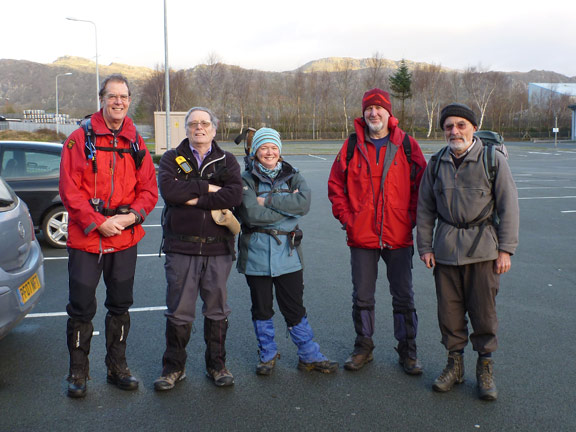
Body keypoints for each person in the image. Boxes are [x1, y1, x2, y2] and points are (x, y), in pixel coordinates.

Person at [59, 73, 159, 398]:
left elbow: (149, 189)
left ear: (129, 101)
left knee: (120, 306)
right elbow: (69, 190)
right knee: (81, 307)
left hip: (125, 239)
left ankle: (117, 367)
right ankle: (78, 372)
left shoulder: (137, 142)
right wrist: (97, 222)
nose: (118, 102)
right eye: (112, 96)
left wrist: (131, 216)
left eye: (124, 97)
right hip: (87, 238)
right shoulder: (79, 139)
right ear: (102, 99)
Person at [416, 103, 519, 401]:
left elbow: (508, 206)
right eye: (449, 126)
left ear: (473, 127)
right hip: (446, 251)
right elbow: (424, 210)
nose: (454, 131)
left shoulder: (492, 159)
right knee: (448, 313)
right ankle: (455, 365)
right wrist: (425, 246)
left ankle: (485, 368)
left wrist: (506, 251)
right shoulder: (436, 164)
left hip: (484, 250)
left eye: (461, 125)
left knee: (483, 313)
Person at [328, 88, 427, 375]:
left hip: (398, 237)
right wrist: (349, 219)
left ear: (388, 112)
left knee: (404, 296)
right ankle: (363, 347)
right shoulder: (350, 146)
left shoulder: (407, 145)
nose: (373, 113)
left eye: (378, 108)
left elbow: (422, 186)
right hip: (362, 237)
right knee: (362, 296)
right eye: (368, 108)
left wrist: (408, 218)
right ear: (363, 113)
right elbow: (336, 186)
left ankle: (408, 351)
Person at [236, 127, 338, 376]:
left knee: (294, 307)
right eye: (263, 147)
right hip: (256, 254)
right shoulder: (245, 179)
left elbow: (303, 204)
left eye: (273, 147)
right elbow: (250, 214)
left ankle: (308, 354)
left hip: (289, 254)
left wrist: (267, 201)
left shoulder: (293, 175)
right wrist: (285, 209)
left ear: (279, 151)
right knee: (262, 308)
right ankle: (267, 354)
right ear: (257, 151)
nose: (269, 152)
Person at [154, 107, 242, 390]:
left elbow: (235, 195)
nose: (199, 128)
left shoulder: (227, 160)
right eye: (193, 124)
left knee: (217, 309)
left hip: (218, 249)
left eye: (205, 124)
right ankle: (173, 368)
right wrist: (211, 190)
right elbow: (170, 192)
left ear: (214, 129)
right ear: (187, 129)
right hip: (181, 247)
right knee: (179, 311)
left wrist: (191, 192)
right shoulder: (171, 158)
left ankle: (217, 366)